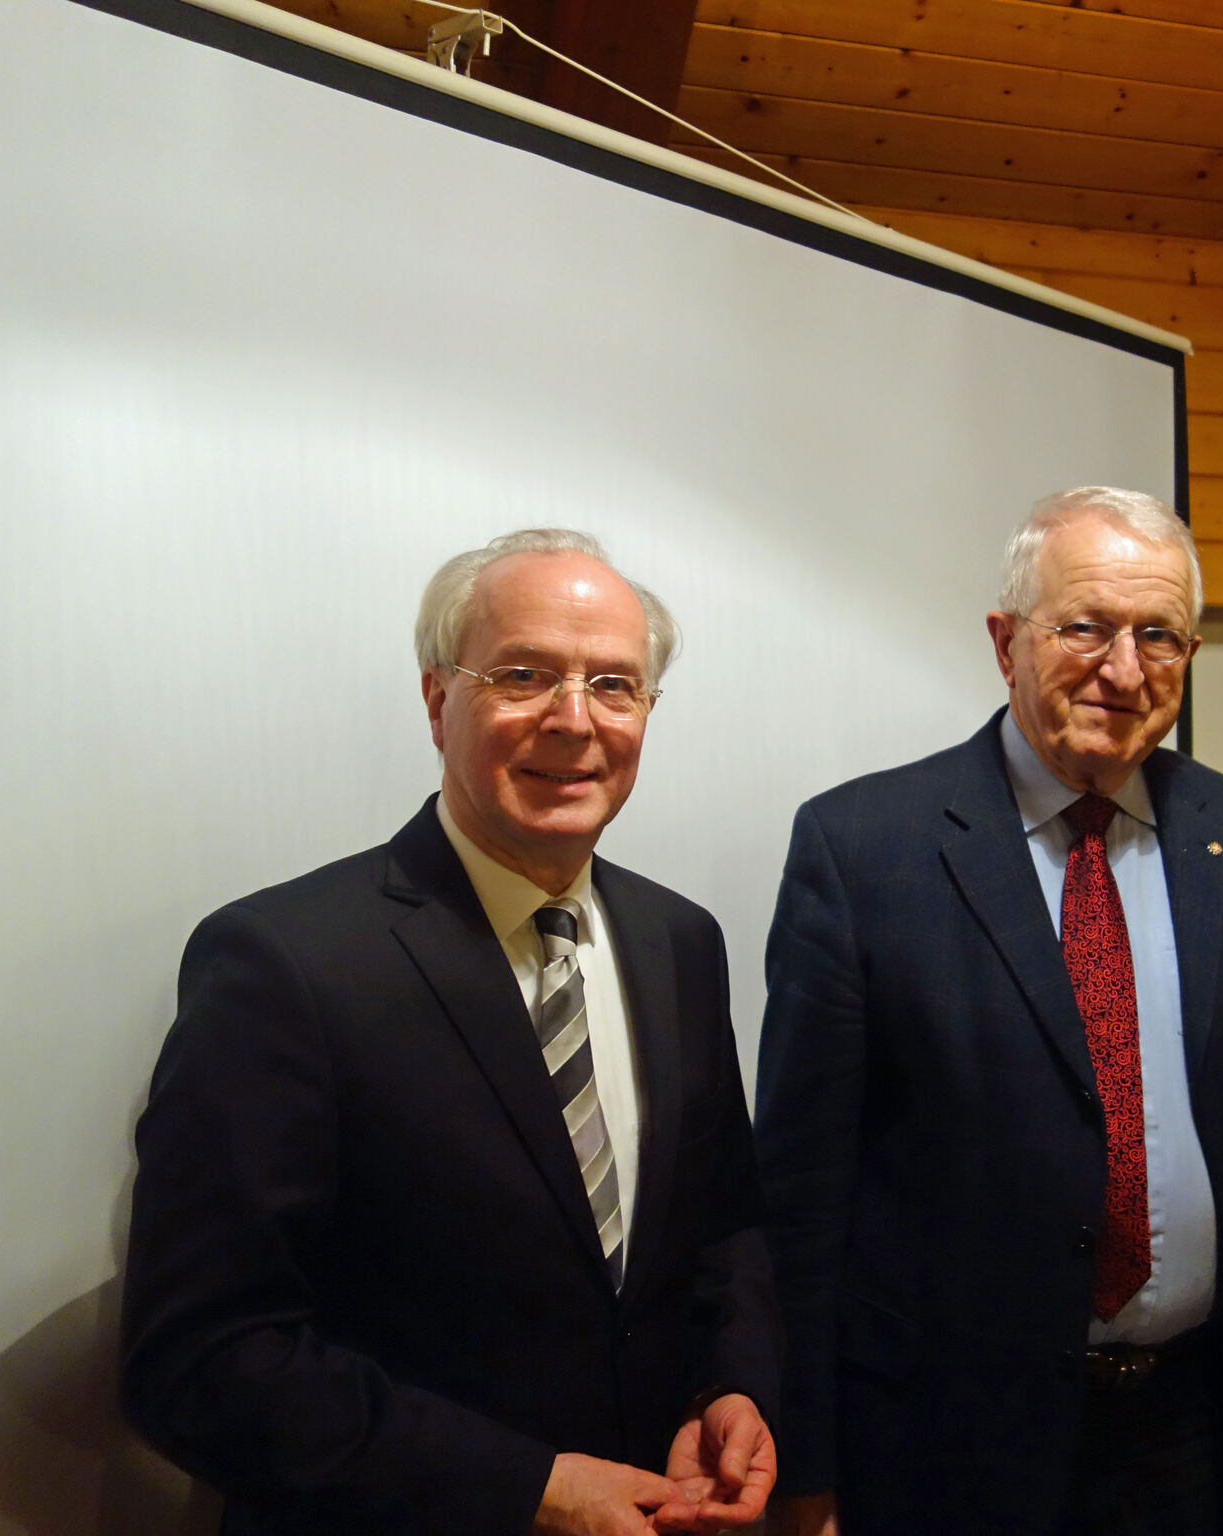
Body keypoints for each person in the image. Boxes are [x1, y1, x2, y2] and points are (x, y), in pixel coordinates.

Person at [121, 529, 778, 1536]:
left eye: (614, 685)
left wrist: (731, 1385)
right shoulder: (283, 963)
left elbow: (723, 1221)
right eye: (524, 676)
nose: (574, 721)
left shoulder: (681, 941)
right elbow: (203, 1361)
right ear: (438, 700)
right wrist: (531, 1491)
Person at [756, 487, 1223, 1536]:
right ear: (1005, 643)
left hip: (1191, 1427)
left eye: (1158, 637)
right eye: (1084, 628)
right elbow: (801, 1192)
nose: (1123, 670)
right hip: (944, 1442)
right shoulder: (861, 846)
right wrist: (804, 1468)